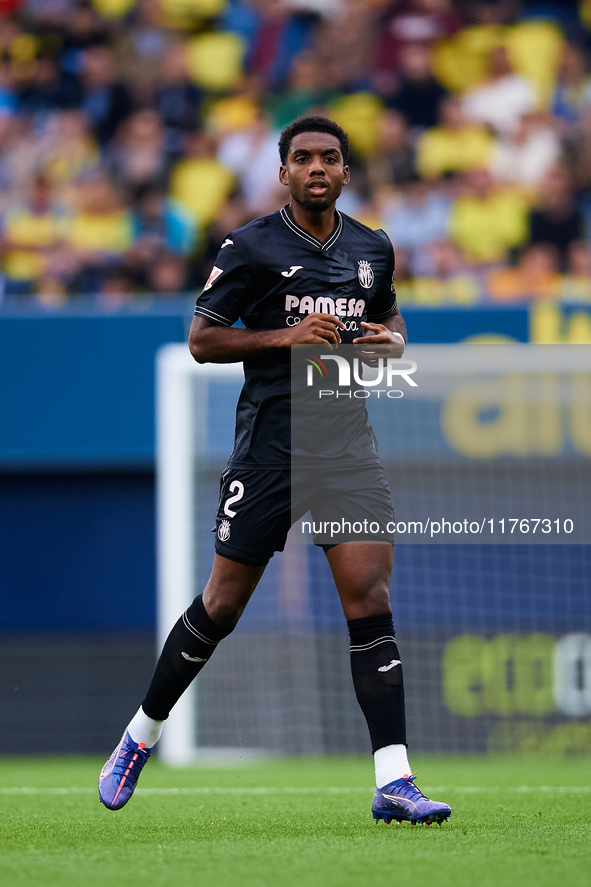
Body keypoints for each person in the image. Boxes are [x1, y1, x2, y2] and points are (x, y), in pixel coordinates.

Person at [98, 115, 451, 827]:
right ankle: (141, 734)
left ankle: (394, 778)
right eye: (302, 158)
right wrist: (284, 335)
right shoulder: (249, 246)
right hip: (269, 448)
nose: (316, 167)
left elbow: (391, 326)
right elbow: (201, 339)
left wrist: (388, 344)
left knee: (369, 597)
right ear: (283, 172)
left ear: (345, 172)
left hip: (346, 447)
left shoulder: (372, 248)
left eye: (329, 158)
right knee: (223, 603)